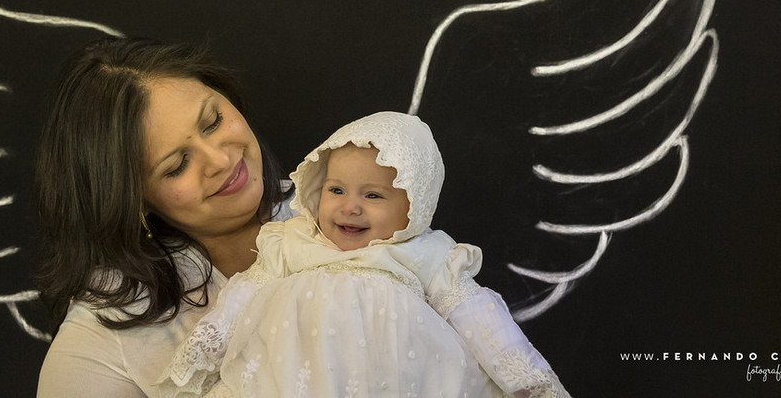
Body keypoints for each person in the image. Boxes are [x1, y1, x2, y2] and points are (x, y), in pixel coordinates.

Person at [156, 111, 572, 398]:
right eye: (336, 190)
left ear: (414, 207)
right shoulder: (293, 239)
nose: (349, 207)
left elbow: (477, 315)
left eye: (373, 195)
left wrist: (523, 377)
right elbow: (243, 297)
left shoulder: (425, 252)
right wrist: (205, 350)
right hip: (289, 379)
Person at [33, 38, 290, 398]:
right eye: (177, 165)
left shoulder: (357, 211)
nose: (219, 160)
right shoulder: (105, 336)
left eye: (213, 121)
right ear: (134, 201)